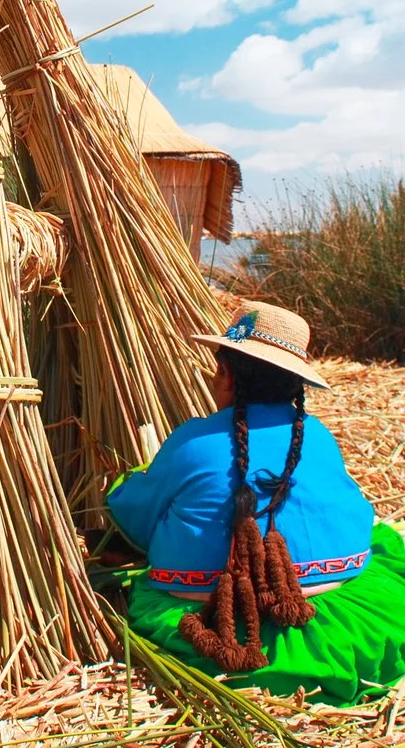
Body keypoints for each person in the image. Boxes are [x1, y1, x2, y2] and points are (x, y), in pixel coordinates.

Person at [106, 300, 405, 704]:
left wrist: (126, 483)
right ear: (295, 385)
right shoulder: (317, 436)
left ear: (225, 375)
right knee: (383, 539)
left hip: (218, 629)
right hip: (336, 626)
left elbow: (135, 518)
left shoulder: (193, 440)